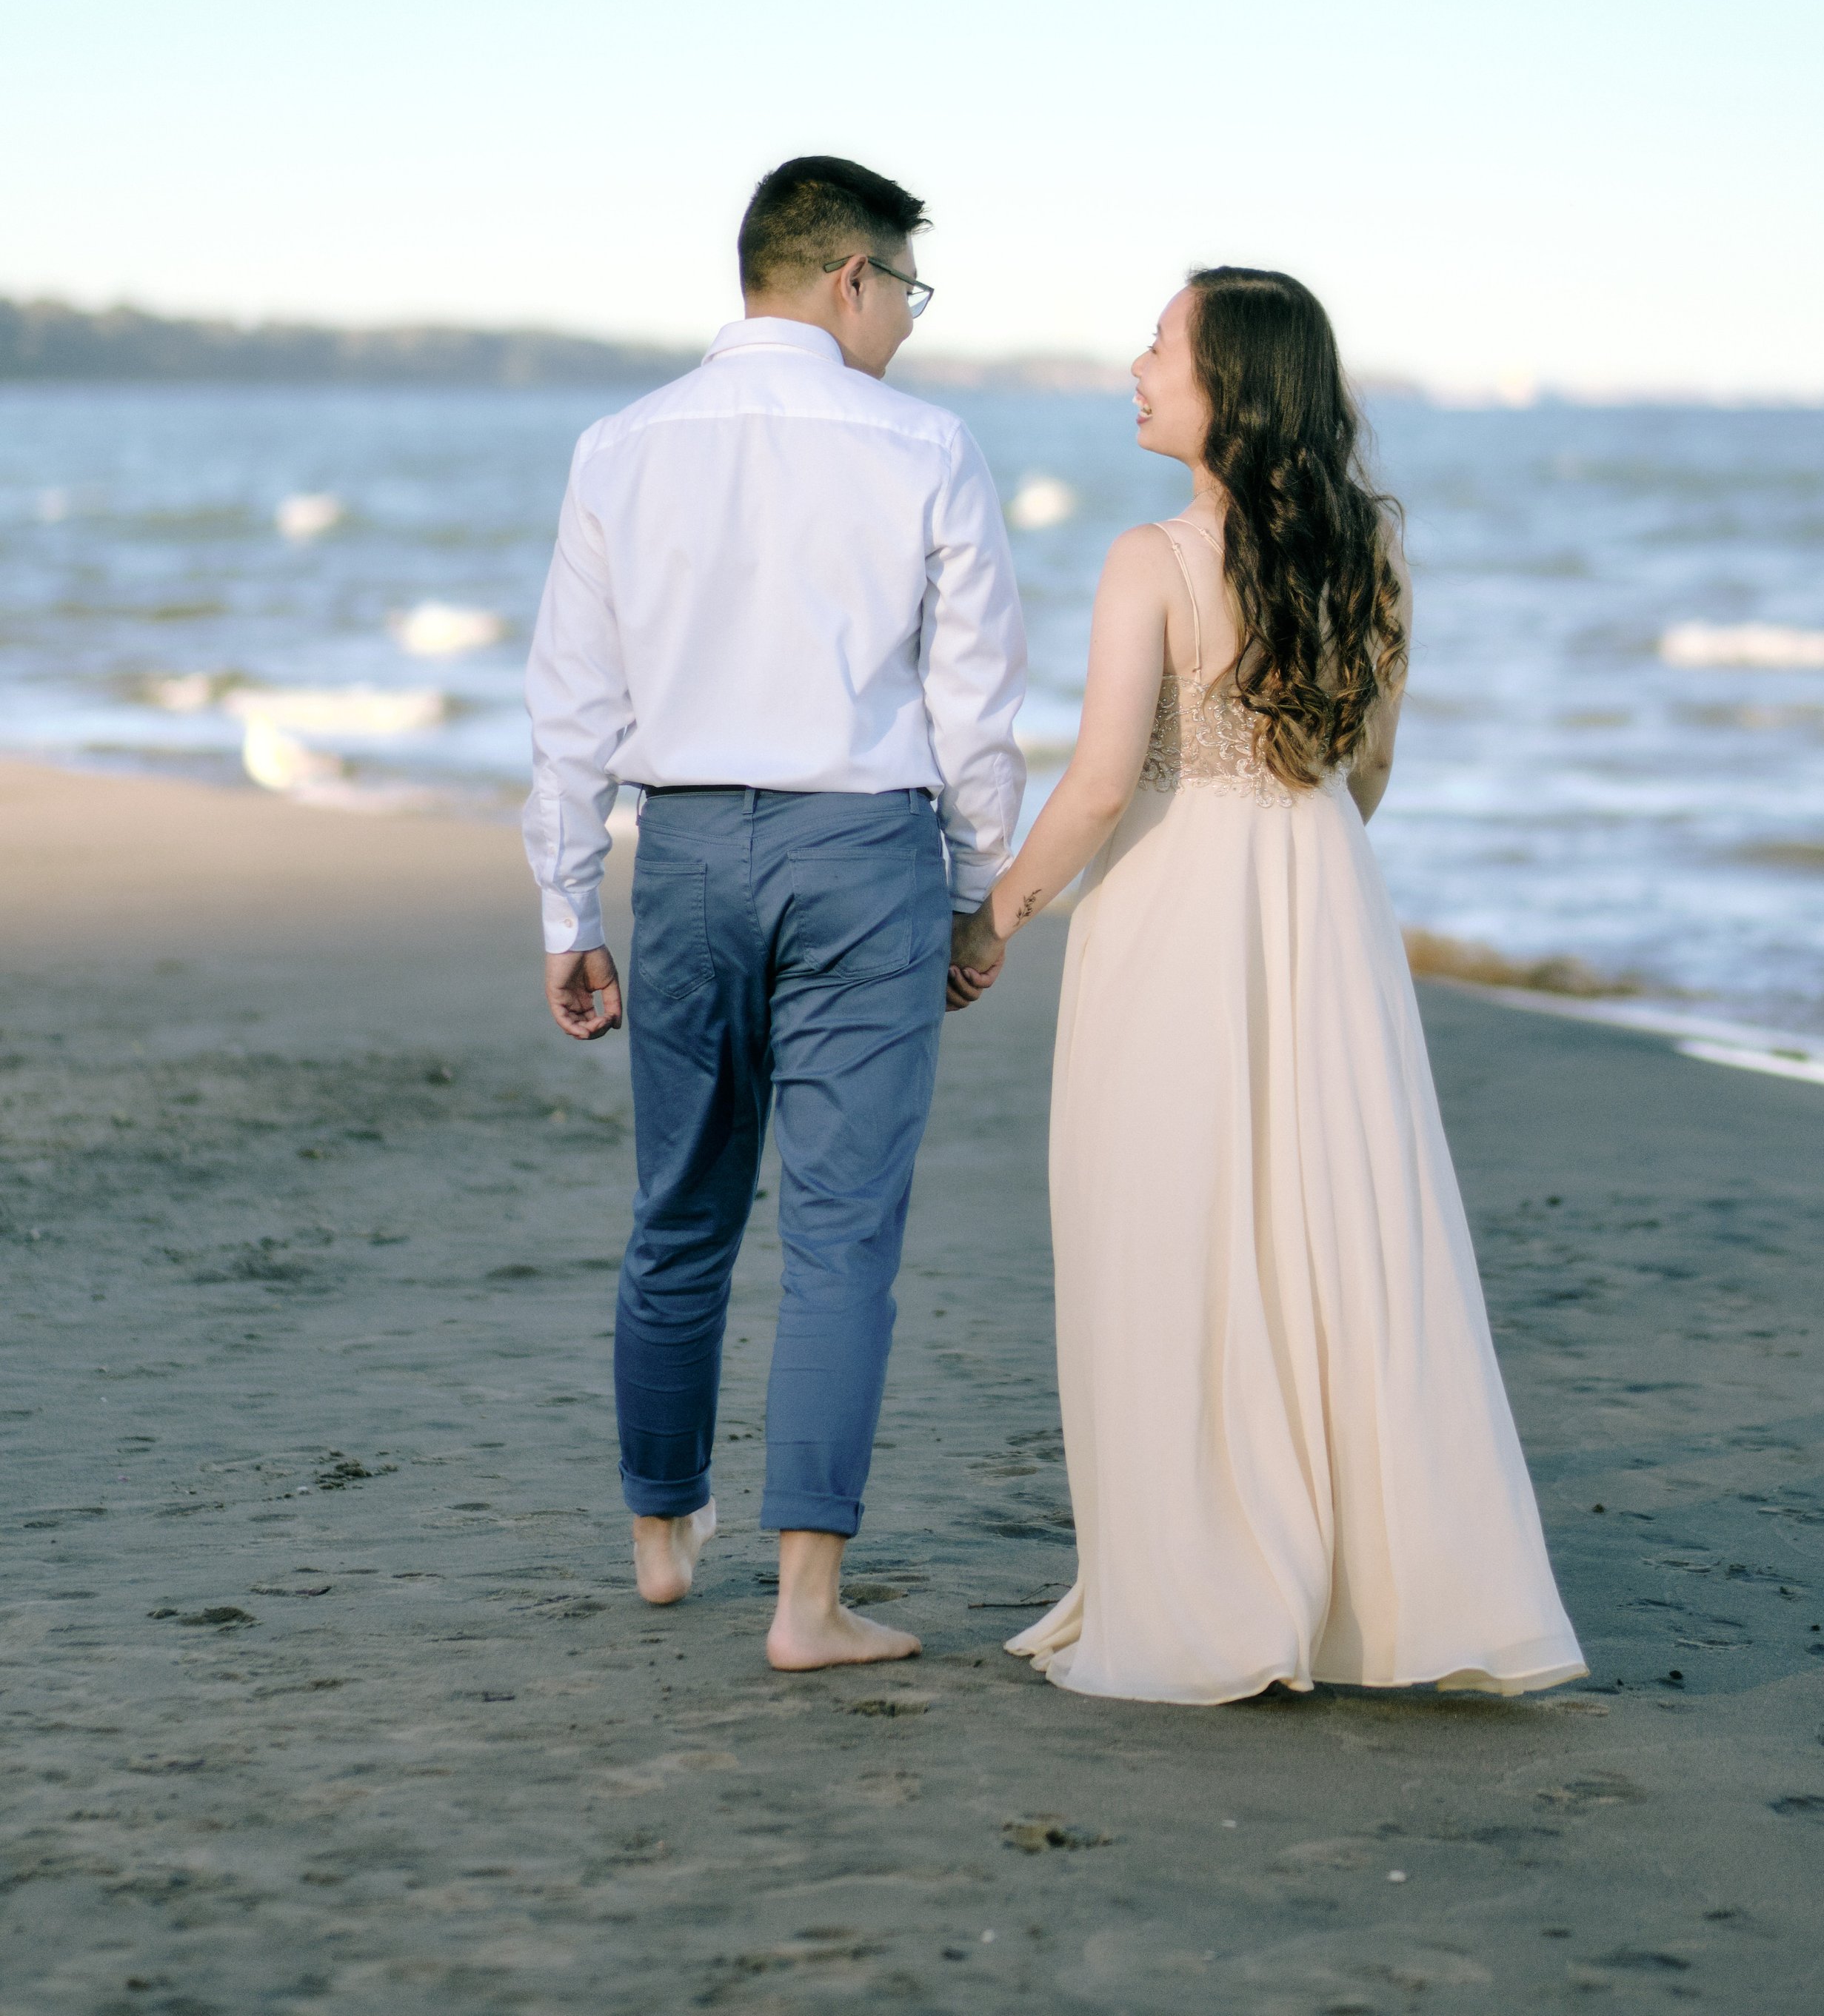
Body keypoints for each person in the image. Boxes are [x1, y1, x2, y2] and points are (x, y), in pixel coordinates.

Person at [961, 267, 1586, 1704]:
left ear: (1225, 381)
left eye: (1159, 343)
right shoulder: (1368, 551)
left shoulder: (1149, 559)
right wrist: (1296, 862)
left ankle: (1203, 1583)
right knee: (1334, 1233)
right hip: (1322, 903)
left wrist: (989, 916)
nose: (1133, 364)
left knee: (1174, 1226)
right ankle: (1368, 1597)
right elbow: (1365, 771)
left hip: (1177, 910)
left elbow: (1105, 781)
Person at [523, 157, 1026, 1671]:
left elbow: (571, 704)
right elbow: (974, 708)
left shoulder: (618, 445)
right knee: (839, 1232)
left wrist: (564, 903)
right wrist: (974, 894)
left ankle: (660, 1541)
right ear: (849, 279)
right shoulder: (925, 445)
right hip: (860, 853)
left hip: (679, 855)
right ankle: (807, 1608)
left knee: (680, 1204)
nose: (905, 331)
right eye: (905, 297)